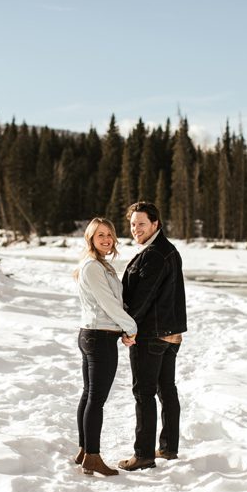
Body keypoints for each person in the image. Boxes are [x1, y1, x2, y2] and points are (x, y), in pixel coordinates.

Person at [117, 201, 187, 471]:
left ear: (156, 224)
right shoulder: (165, 250)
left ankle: (143, 454)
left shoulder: (156, 254)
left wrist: (128, 328)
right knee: (166, 389)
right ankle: (168, 448)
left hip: (151, 334)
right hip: (170, 333)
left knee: (144, 392)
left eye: (141, 224)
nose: (136, 229)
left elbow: (142, 299)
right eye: (133, 224)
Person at [74, 217, 137, 476]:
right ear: (90, 238)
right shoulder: (93, 267)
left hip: (94, 334)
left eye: (109, 234)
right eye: (100, 235)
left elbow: (111, 302)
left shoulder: (99, 265)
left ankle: (83, 450)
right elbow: (109, 303)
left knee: (89, 395)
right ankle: (93, 456)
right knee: (95, 400)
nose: (106, 239)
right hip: (98, 337)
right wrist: (130, 327)